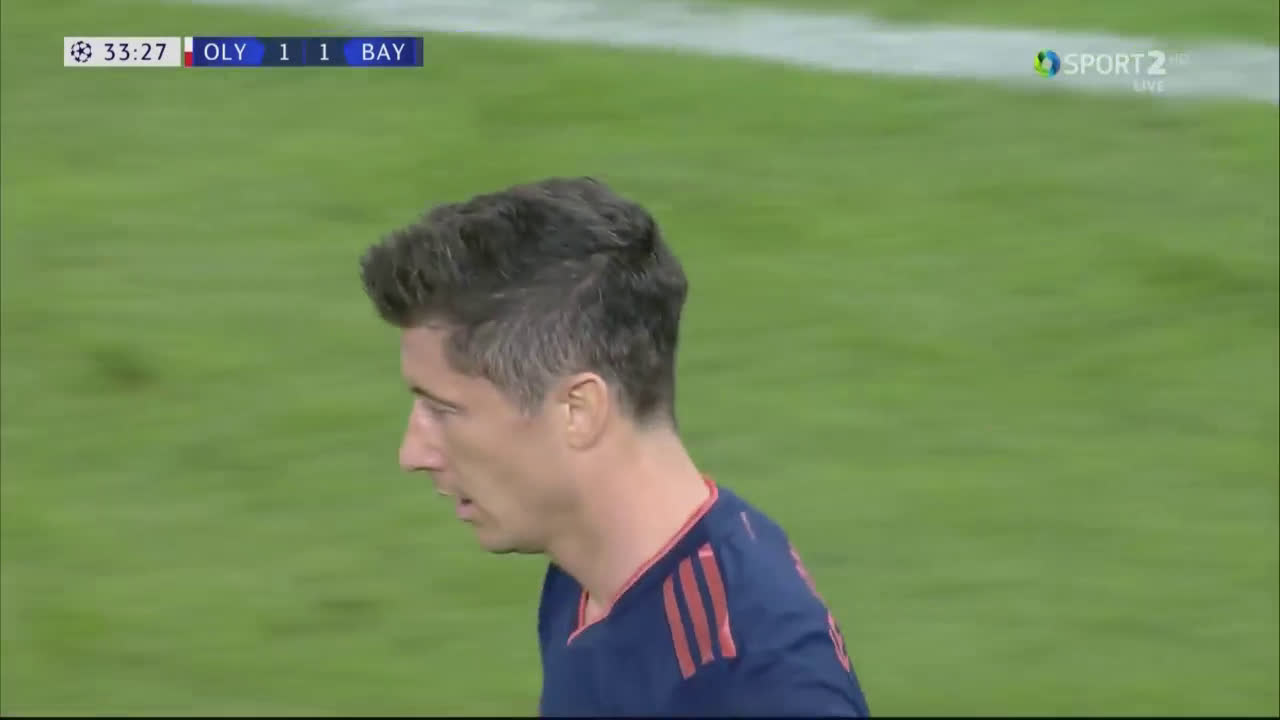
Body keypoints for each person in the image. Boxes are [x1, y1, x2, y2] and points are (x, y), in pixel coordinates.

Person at [358, 177, 871, 717]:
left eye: (443, 411)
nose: (413, 454)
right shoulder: (587, 575)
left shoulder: (748, 681)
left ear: (578, 410)